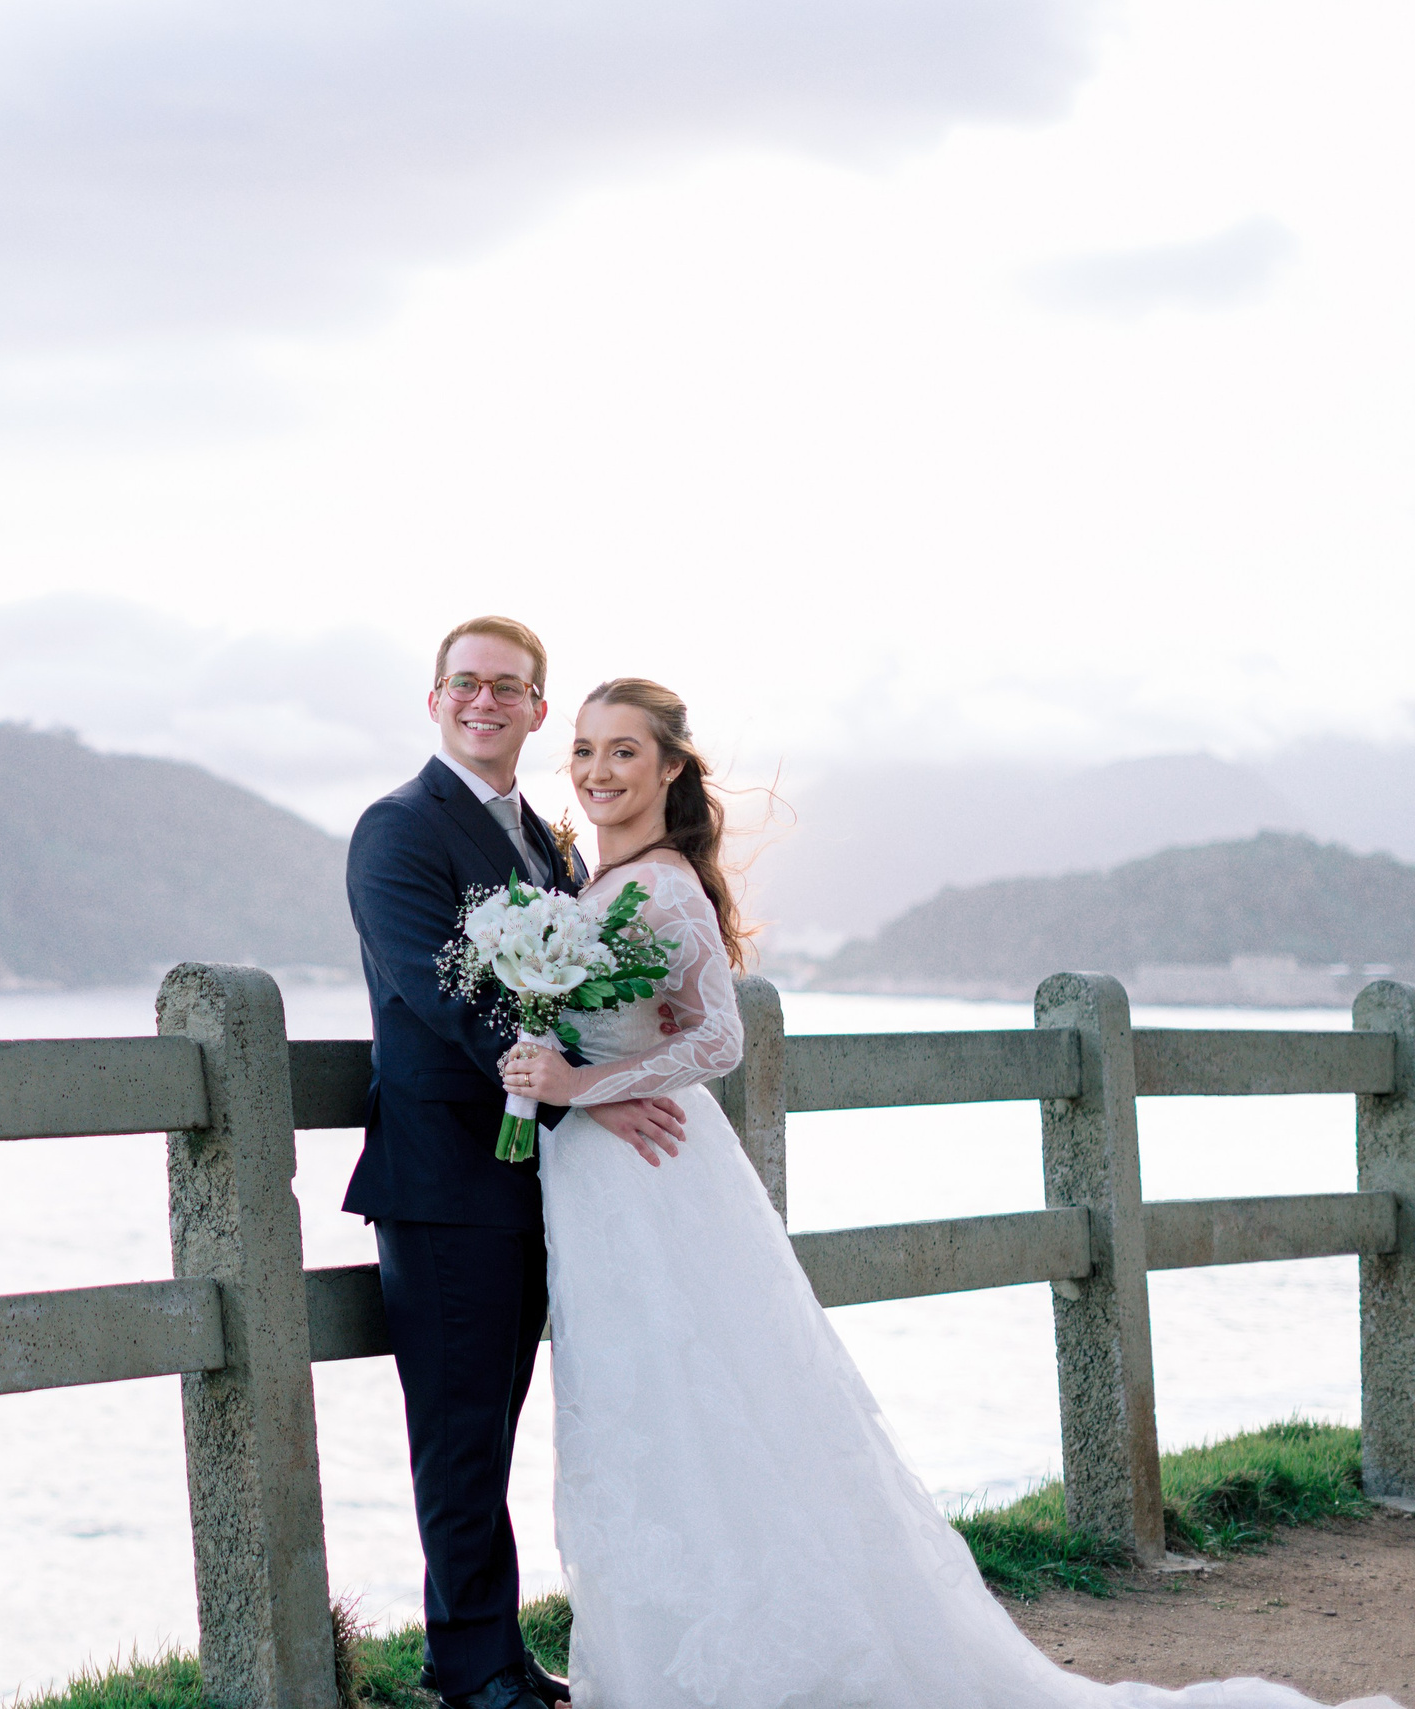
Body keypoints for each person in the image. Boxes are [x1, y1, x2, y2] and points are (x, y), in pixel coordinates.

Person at [495, 677, 1401, 1709]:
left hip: (654, 1175)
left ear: (667, 769)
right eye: (583, 749)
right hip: (598, 1172)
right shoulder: (589, 882)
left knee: (684, 1394)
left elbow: (719, 1035)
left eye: (623, 751)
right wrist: (559, 1068)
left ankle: (728, 1656)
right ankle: (647, 1652)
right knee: (630, 1404)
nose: (598, 770)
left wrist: (584, 1085)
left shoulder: (661, 886)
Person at [344, 619, 693, 1709]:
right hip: (443, 1180)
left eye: (508, 686)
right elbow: (434, 987)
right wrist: (579, 1080)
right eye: (465, 682)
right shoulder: (397, 828)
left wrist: (602, 1079)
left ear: (537, 707)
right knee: (457, 1436)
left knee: (493, 1426)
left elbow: (579, 977)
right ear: (435, 697)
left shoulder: (546, 840)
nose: (483, 699)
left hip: (530, 1180)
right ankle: (471, 1666)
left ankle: (486, 1651)